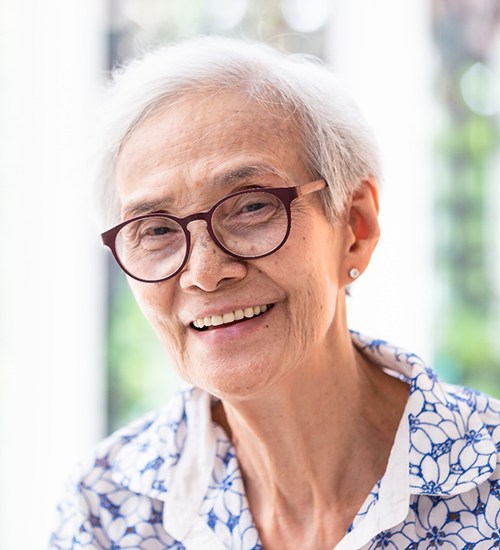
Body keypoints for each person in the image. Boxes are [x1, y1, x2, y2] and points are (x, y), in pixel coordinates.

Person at [50, 36, 500, 549]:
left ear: (355, 226)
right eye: (155, 230)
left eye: (251, 206)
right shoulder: (107, 506)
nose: (205, 272)